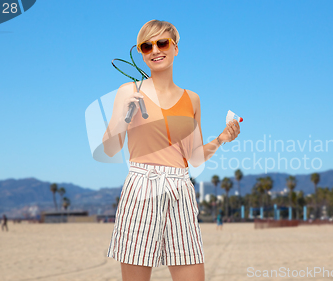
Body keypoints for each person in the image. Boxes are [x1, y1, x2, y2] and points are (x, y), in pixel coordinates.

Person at [103, 20, 241, 281]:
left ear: (175, 48)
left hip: (180, 189)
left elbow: (195, 157)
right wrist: (123, 118)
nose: (155, 50)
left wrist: (222, 138)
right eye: (146, 46)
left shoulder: (193, 99)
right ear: (142, 53)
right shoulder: (128, 91)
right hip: (142, 187)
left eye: (162, 43)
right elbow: (111, 149)